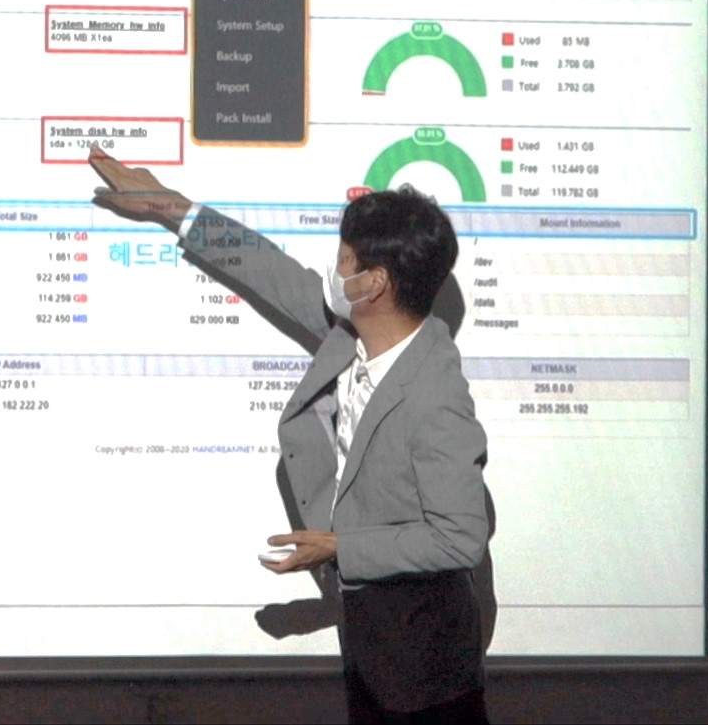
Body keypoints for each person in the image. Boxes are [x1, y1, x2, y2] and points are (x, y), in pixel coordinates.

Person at [89, 147, 492, 724]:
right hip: (374, 647)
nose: (334, 271)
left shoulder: (435, 394)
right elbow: (270, 271)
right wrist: (170, 206)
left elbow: (459, 540)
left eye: (344, 260)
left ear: (374, 283)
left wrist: (341, 546)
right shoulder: (353, 336)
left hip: (426, 672)